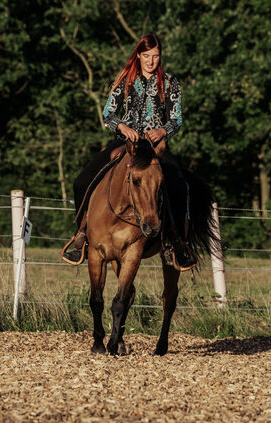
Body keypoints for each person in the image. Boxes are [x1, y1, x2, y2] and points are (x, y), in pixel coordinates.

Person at [62, 33, 195, 270]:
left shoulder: (170, 83)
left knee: (179, 184)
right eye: (146, 56)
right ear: (139, 55)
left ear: (160, 56)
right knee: (81, 181)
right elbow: (108, 114)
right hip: (125, 143)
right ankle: (81, 234)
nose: (151, 61)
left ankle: (177, 242)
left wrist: (163, 131)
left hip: (154, 148)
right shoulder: (125, 80)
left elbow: (176, 118)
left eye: (155, 56)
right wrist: (122, 126)